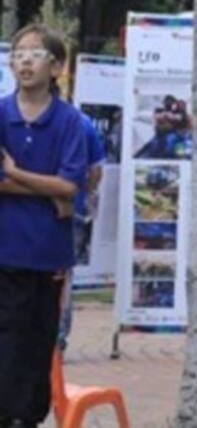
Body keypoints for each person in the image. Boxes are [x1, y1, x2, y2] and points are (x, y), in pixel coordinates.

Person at [0, 24, 87, 428]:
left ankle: (27, 419)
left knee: (39, 344)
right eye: (18, 55)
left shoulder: (70, 122)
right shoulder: (1, 114)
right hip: (5, 250)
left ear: (56, 67)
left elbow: (71, 184)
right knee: (7, 340)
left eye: (35, 54)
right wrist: (48, 191)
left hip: (48, 254)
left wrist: (16, 174)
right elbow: (59, 189)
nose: (25, 62)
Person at [57, 111, 105, 349]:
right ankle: (58, 341)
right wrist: (84, 193)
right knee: (63, 276)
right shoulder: (82, 121)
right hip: (71, 210)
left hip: (51, 210)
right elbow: (96, 171)